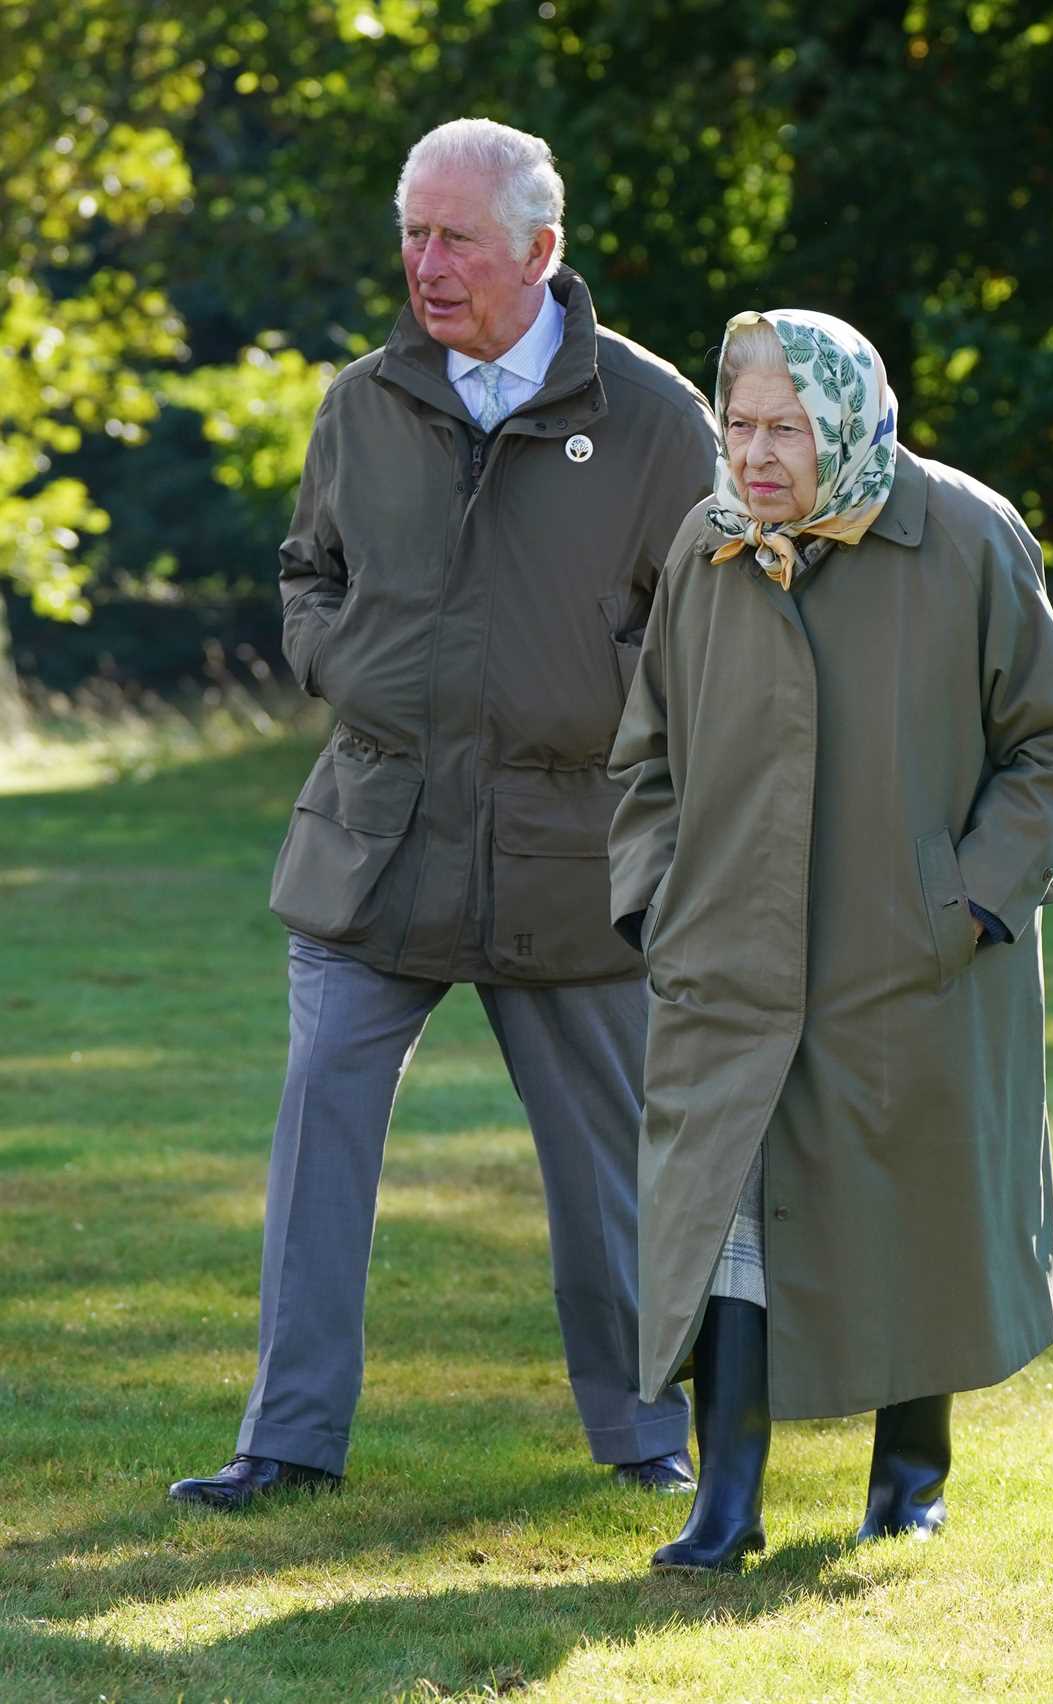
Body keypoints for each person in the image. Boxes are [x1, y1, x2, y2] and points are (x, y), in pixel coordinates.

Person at [169, 119, 717, 1510]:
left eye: (452, 237)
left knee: (609, 1176)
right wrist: (335, 659)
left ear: (541, 251)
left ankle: (646, 1439)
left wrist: (615, 711)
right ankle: (286, 1444)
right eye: (411, 233)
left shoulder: (654, 420)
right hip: (376, 840)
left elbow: (707, 632)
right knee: (316, 1142)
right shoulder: (363, 401)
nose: (424, 263)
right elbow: (309, 568)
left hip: (568, 856)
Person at [608, 307, 1053, 1570]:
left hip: (909, 959)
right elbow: (646, 753)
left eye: (785, 427)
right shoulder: (708, 542)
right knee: (725, 1213)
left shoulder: (964, 535)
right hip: (726, 956)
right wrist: (654, 897)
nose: (758, 454)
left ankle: (908, 1479)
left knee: (909, 1208)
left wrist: (969, 904)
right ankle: (723, 1502)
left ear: (844, 418)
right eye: (739, 424)